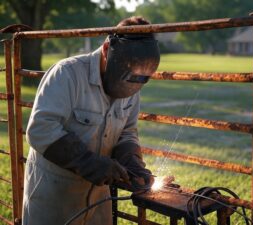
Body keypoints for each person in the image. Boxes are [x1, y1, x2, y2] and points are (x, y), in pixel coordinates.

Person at [23, 16, 160, 225]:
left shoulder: (134, 83)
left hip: (97, 202)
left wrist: (131, 161)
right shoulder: (67, 74)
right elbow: (41, 129)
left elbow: (127, 131)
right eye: (128, 75)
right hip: (54, 197)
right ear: (106, 49)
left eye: (140, 79)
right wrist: (88, 162)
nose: (133, 84)